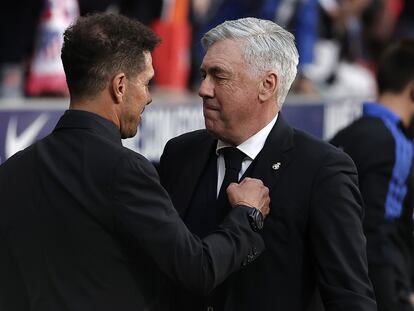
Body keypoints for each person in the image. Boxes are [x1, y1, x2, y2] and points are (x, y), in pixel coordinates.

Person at [0, 13, 271, 311]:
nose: (149, 98)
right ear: (119, 86)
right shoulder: (124, 170)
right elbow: (199, 269)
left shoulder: (12, 171)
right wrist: (247, 215)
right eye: (146, 83)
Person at [159, 17, 376, 311]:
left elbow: (349, 297)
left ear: (267, 85)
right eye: (203, 74)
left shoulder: (322, 170)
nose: (203, 89)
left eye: (218, 76)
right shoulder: (180, 153)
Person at [331, 39, 414, 311]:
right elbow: (379, 231)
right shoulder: (397, 144)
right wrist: (397, 296)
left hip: (338, 286)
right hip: (381, 292)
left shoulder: (343, 136)